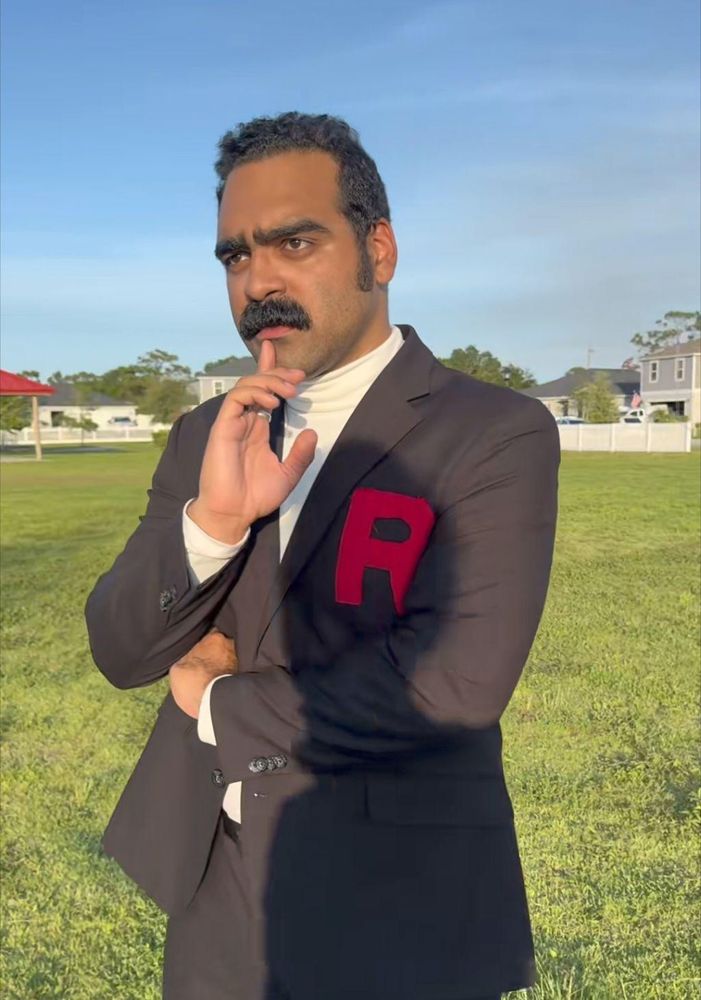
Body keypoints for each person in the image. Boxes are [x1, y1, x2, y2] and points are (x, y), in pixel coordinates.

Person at [85, 112, 560, 1000]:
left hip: (401, 897)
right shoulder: (206, 432)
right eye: (234, 256)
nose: (258, 280)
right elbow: (120, 649)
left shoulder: (492, 432)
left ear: (378, 249)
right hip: (218, 885)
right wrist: (212, 525)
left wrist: (214, 697)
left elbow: (451, 686)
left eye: (294, 242)